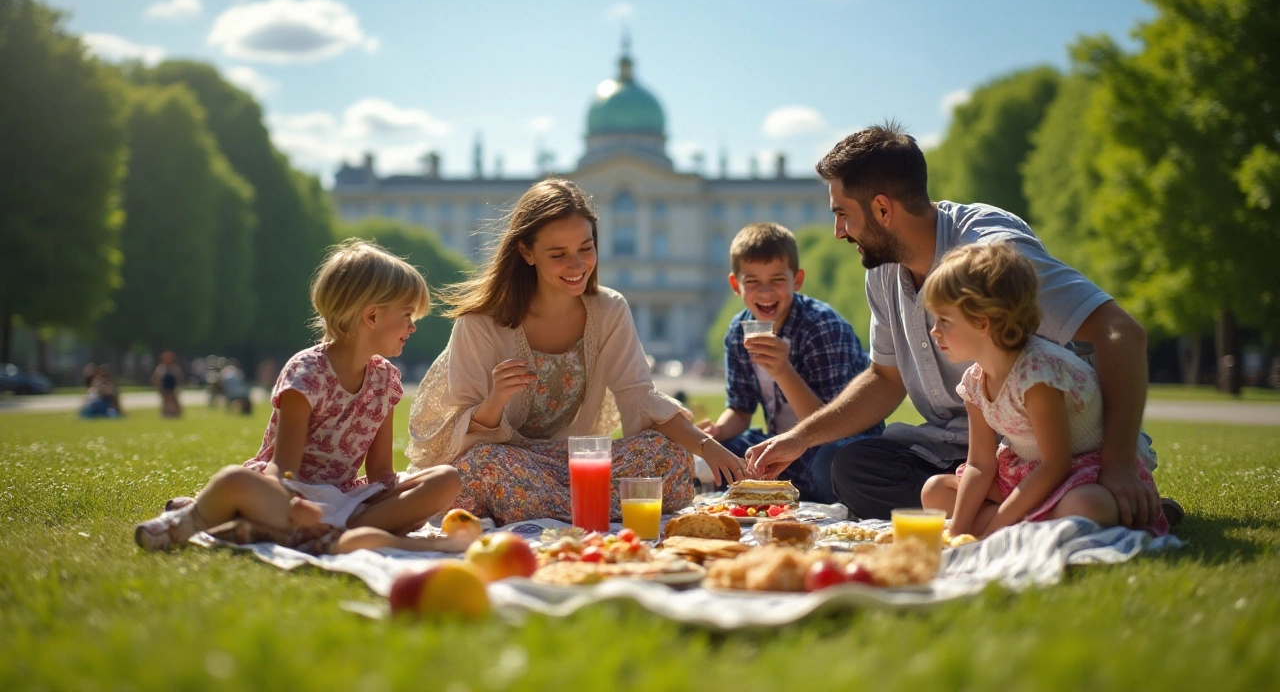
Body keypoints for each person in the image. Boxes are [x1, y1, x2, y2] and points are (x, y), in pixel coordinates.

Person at [747, 122, 1171, 530]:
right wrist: (799, 438)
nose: (838, 231)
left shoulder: (992, 256)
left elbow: (1122, 333)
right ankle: (1038, 509)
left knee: (888, 480)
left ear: (882, 209)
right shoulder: (881, 271)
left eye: (842, 214)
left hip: (1050, 446)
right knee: (847, 467)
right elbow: (885, 378)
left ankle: (1085, 498)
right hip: (966, 452)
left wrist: (1117, 464)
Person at [405, 178, 746, 526]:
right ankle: (590, 506)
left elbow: (639, 396)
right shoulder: (480, 323)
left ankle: (550, 506)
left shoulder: (610, 309)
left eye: (586, 248)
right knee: (477, 470)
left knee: (668, 456)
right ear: (526, 252)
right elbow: (464, 442)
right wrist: (496, 399)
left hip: (573, 463)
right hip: (505, 461)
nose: (577, 265)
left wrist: (705, 445)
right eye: (558, 255)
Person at [135, 239, 464, 553]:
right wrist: (292, 503)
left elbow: (380, 473)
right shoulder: (307, 372)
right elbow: (282, 467)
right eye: (407, 315)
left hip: (343, 500)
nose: (413, 326)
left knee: (446, 480)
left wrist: (405, 498)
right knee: (235, 480)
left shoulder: (386, 381)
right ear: (372, 316)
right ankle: (191, 522)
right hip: (289, 493)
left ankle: (321, 533)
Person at [917, 244, 1168, 537]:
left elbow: (1055, 465)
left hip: (1078, 475)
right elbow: (979, 464)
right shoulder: (975, 381)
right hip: (1025, 474)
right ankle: (1031, 527)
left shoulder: (1037, 373)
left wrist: (991, 530)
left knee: (1088, 506)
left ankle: (1016, 527)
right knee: (934, 491)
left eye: (944, 320)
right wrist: (956, 534)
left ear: (982, 323)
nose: (934, 331)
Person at [698, 222, 883, 503]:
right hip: (782, 443)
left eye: (777, 280)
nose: (766, 292)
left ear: (797, 280)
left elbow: (830, 423)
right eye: (752, 282)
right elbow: (740, 408)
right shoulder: (740, 331)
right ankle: (773, 488)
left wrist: (783, 371)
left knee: (830, 464)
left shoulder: (821, 327)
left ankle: (800, 492)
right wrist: (718, 432)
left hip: (836, 441)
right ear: (736, 285)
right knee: (716, 452)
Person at [151, 351, 184, 418]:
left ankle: (176, 413)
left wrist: (179, 386)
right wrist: (157, 387)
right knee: (165, 401)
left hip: (173, 387)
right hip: (164, 387)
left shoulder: (174, 367)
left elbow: (179, 377)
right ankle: (165, 413)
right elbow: (156, 378)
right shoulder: (161, 368)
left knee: (174, 401)